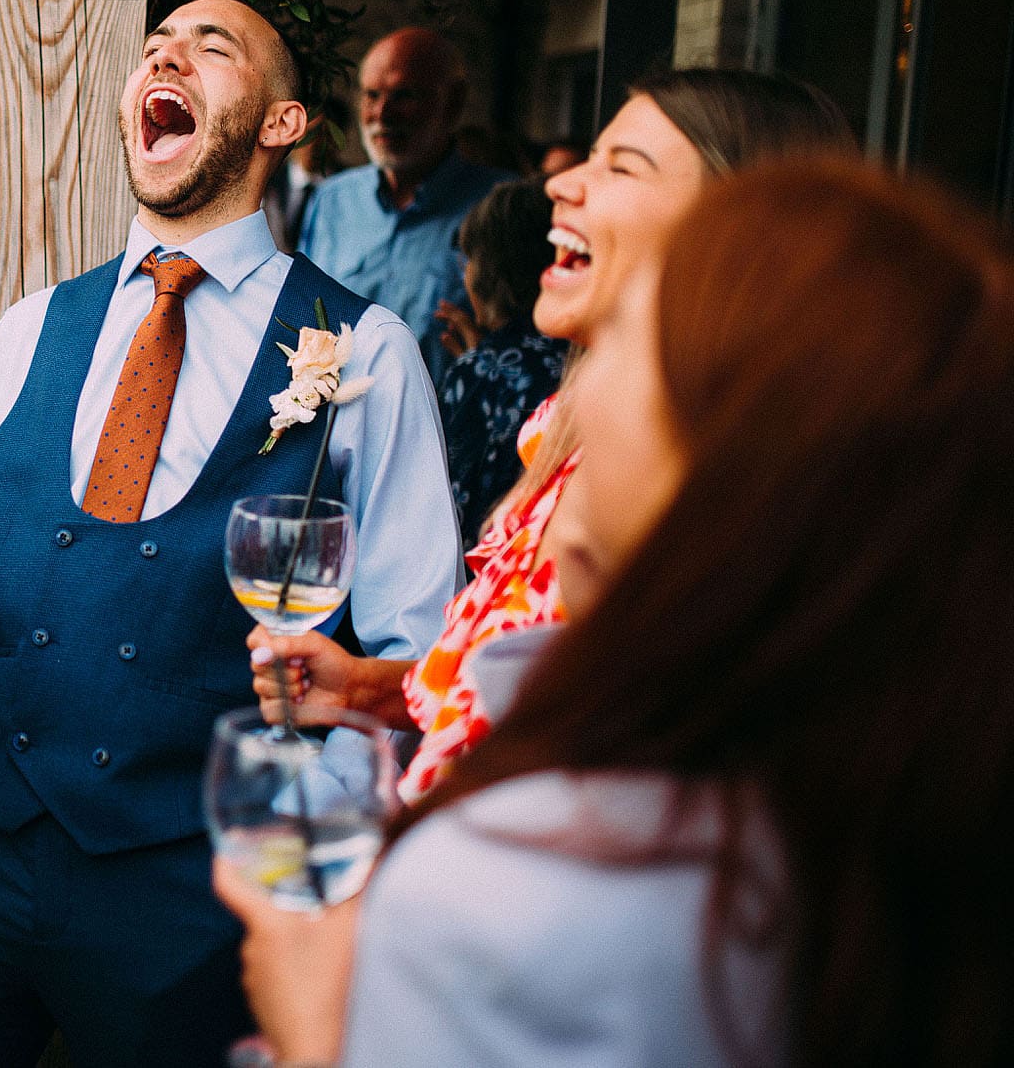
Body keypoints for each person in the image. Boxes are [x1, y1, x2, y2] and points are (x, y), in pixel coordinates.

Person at [219, 157, 1014, 1068]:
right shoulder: (867, 827)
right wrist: (376, 692)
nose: (573, 394)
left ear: (727, 460)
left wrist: (314, 1032)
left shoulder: (512, 885)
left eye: (630, 332)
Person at [0, 0, 463, 1067]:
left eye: (211, 47)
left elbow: (417, 652)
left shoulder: (366, 352)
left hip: (191, 889)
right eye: (154, 46)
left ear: (281, 122)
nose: (167, 56)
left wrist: (300, 851)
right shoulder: (30, 326)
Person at [256, 69, 855, 802]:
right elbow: (530, 697)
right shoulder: (571, 439)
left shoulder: (720, 497)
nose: (562, 185)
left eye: (622, 166)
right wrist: (372, 691)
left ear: (740, 229)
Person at [297, 28, 512, 386]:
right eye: (372, 95)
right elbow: (301, 315)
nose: (382, 113)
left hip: (445, 418)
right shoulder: (331, 200)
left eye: (404, 95)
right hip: (335, 415)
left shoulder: (499, 206)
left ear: (453, 104)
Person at [433, 178, 567, 548]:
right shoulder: (581, 355)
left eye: (468, 261)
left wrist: (479, 370)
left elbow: (446, 507)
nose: (465, 274)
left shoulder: (478, 373)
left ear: (489, 271)